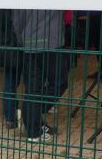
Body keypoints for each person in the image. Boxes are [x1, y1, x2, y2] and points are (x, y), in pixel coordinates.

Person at [12, 9, 68, 142]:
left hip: (30, 43)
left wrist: (22, 40)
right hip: (51, 43)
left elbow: (17, 20)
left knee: (33, 88)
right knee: (59, 83)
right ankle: (32, 118)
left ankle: (33, 126)